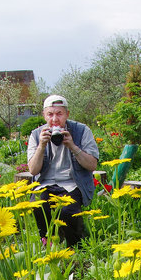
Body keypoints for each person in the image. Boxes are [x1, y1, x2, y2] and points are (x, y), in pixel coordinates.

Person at [27, 94, 99, 247]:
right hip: (46, 183)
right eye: (50, 114)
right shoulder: (36, 134)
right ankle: (49, 242)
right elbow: (33, 170)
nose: (54, 119)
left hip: (74, 183)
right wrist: (41, 146)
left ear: (67, 114)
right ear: (44, 115)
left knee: (68, 211)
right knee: (39, 206)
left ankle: (77, 245)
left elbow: (92, 165)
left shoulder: (81, 131)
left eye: (59, 114)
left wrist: (72, 146)